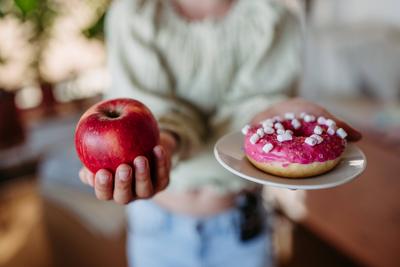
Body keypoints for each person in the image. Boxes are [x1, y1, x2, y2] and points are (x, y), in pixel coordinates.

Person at [79, 0, 362, 266]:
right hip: (156, 230)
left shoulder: (275, 17)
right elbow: (150, 115)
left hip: (242, 230)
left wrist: (275, 114)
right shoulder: (135, 14)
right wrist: (161, 144)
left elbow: (253, 113)